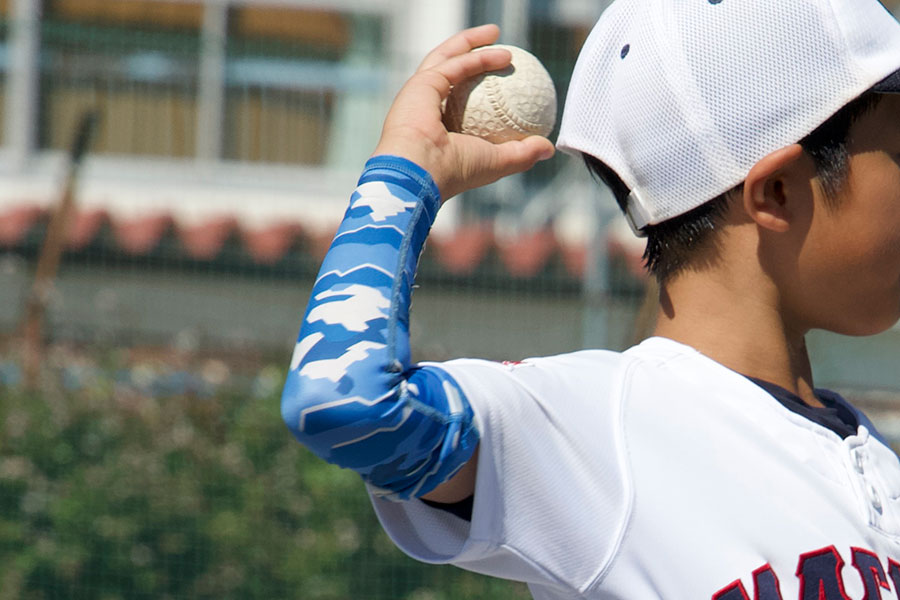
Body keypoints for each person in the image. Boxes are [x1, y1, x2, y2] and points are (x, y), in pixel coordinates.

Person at [281, 0, 900, 597]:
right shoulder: (606, 427)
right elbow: (343, 399)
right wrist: (403, 174)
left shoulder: (878, 462)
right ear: (779, 194)